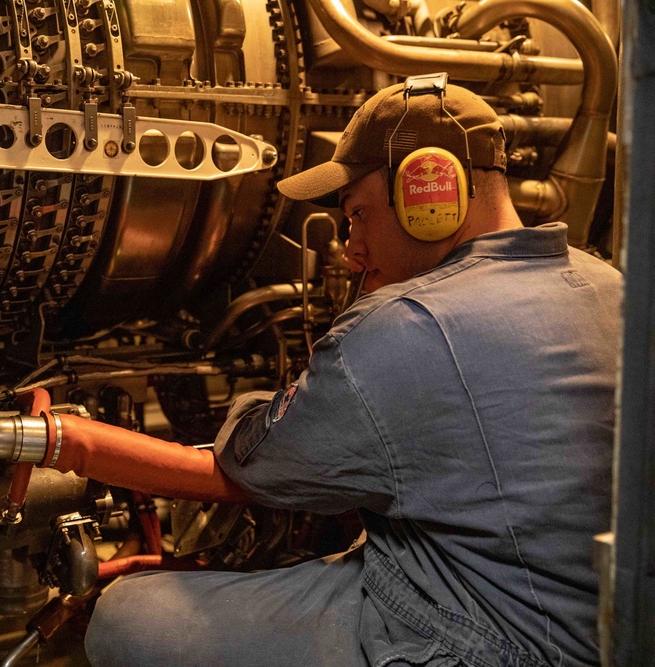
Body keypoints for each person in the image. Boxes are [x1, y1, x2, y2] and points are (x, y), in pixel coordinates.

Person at [83, 76, 622, 666]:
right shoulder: (608, 284)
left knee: (128, 617)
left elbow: (262, 462)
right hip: (599, 632)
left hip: (486, 638)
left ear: (428, 194)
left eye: (358, 215)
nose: (350, 247)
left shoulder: (406, 325)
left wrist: (280, 390)